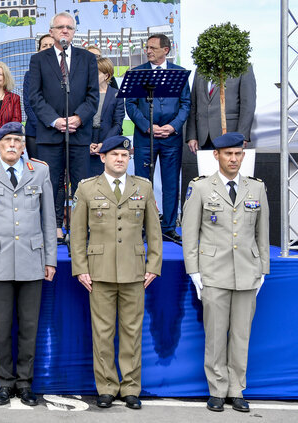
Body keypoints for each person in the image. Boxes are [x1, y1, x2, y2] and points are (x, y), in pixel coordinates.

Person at [70, 135, 162, 411]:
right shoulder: (87, 189)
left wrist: (154, 265)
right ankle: (107, 387)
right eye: (115, 155)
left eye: (124, 155)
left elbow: (154, 233)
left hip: (135, 272)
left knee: (132, 332)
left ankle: (131, 387)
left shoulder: (143, 187)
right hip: (99, 272)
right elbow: (77, 234)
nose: (120, 159)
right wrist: (81, 269)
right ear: (103, 158)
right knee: (102, 332)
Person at [0, 122, 56, 407]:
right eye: (7, 140)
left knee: (29, 326)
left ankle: (25, 384)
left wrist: (50, 260)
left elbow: (49, 220)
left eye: (17, 140)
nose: (12, 145)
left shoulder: (39, 171)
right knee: (2, 327)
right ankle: (5, 384)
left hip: (33, 258)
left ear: (23, 146)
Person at [181, 132, 269, 413]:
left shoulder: (255, 188)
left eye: (238, 154)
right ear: (216, 155)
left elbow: (262, 233)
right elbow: (189, 233)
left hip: (247, 271)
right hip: (214, 272)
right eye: (228, 154)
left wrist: (262, 269)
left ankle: (237, 389)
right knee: (216, 335)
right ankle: (217, 389)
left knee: (241, 335)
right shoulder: (202, 188)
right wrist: (194, 272)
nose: (234, 159)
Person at [28, 11, 99, 241]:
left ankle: (79, 228)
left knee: (81, 183)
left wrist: (78, 118)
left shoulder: (87, 59)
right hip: (50, 134)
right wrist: (55, 120)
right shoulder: (39, 60)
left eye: (69, 27)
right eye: (60, 27)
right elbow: (35, 96)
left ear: (74, 32)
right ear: (51, 32)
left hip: (79, 133)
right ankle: (55, 227)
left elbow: (93, 96)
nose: (65, 30)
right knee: (52, 183)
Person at [125, 33, 191, 244]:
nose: (148, 51)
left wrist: (172, 127)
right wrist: (148, 127)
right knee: (143, 184)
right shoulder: (138, 73)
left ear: (166, 50)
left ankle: (169, 228)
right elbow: (131, 105)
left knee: (171, 183)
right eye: (147, 47)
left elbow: (186, 104)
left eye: (153, 47)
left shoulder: (179, 74)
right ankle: (143, 227)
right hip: (145, 138)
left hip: (171, 138)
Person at [186, 65, 256, 153]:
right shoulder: (201, 68)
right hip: (204, 137)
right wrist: (192, 136)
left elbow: (248, 105)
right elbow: (193, 104)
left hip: (231, 135)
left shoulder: (243, 67)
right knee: (207, 167)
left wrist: (242, 136)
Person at [89, 57, 125, 176]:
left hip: (107, 140)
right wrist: (88, 143)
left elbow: (117, 124)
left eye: (96, 73)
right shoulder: (85, 94)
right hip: (87, 141)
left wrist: (104, 144)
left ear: (106, 76)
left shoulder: (116, 95)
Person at [23, 34, 55, 159]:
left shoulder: (66, 75)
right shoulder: (30, 75)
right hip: (35, 132)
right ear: (38, 51)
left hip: (58, 132)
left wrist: (56, 125)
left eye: (51, 45)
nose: (47, 48)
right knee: (36, 173)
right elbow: (28, 104)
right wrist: (44, 126)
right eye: (44, 45)